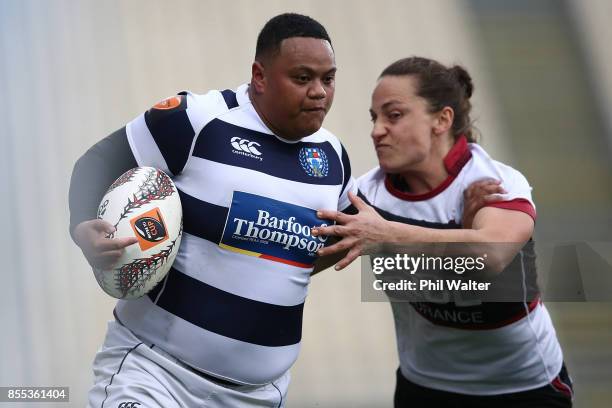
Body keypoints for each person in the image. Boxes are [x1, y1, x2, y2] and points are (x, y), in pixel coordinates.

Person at [69, 13, 357, 408]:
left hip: (258, 395)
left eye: (328, 78)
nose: (319, 92)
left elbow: (351, 233)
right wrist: (82, 226)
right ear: (260, 75)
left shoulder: (334, 158)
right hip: (155, 374)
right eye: (303, 78)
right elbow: (97, 164)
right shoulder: (195, 120)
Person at [313, 57, 573, 407]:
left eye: (394, 115)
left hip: (524, 388)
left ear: (442, 119)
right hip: (425, 387)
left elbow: (490, 254)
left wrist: (387, 234)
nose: (377, 131)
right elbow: (303, 260)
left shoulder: (493, 182)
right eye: (375, 118)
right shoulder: (366, 197)